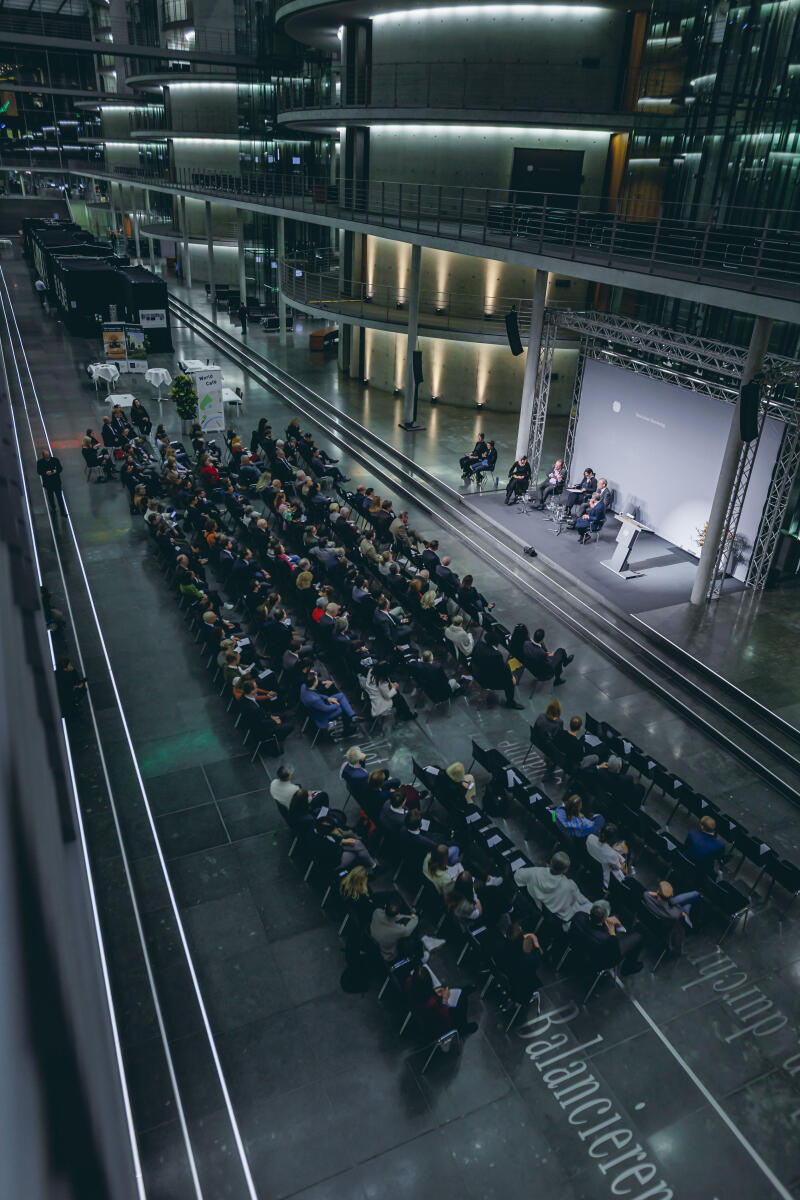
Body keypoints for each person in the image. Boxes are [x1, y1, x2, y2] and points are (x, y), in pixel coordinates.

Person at [513, 852, 591, 924]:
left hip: (543, 909)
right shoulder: (570, 886)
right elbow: (573, 902)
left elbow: (517, 876)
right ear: (566, 870)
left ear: (551, 862)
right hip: (563, 916)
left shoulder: (535, 873)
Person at [571, 900, 644, 976]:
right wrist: (612, 932)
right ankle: (628, 968)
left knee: (615, 915)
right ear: (604, 919)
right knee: (639, 937)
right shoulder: (608, 939)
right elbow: (615, 952)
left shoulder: (578, 916)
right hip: (599, 961)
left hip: (578, 946)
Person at [405, 964, 478, 1036]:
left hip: (419, 1009)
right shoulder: (433, 1004)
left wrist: (435, 993)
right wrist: (445, 999)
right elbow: (445, 1019)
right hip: (437, 1025)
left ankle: (464, 991)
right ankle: (463, 1028)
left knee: (460, 993)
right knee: (461, 1000)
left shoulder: (409, 982)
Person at [642, 881, 700, 954]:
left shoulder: (646, 897)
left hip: (659, 917)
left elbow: (647, 893)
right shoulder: (673, 914)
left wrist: (659, 895)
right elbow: (679, 909)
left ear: (657, 892)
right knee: (691, 900)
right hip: (672, 921)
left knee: (689, 900)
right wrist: (669, 900)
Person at [471, 630, 523, 709]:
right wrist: (511, 677)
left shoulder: (479, 645)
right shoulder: (496, 655)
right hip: (486, 680)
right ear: (496, 643)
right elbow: (503, 671)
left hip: (476, 673)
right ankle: (510, 702)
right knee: (510, 683)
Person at [300, 670, 359, 735]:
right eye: (316, 679)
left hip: (319, 706)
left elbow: (318, 695)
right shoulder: (314, 699)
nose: (318, 679)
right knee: (342, 708)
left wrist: (328, 698)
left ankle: (352, 715)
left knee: (340, 696)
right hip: (321, 715)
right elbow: (326, 709)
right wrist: (337, 705)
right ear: (314, 682)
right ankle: (347, 730)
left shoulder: (304, 686)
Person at [586, 823, 629, 889]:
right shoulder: (612, 854)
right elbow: (617, 868)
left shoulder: (590, 837)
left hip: (593, 864)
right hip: (606, 873)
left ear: (600, 831)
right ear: (613, 838)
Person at [36, 448, 67, 516]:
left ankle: (62, 511)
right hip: (48, 483)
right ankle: (53, 508)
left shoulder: (55, 460)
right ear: (43, 456)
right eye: (46, 455)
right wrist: (45, 472)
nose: (48, 455)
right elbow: (39, 471)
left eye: (48, 454)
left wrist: (55, 471)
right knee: (50, 497)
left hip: (56, 482)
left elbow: (60, 468)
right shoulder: (40, 462)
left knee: (59, 497)